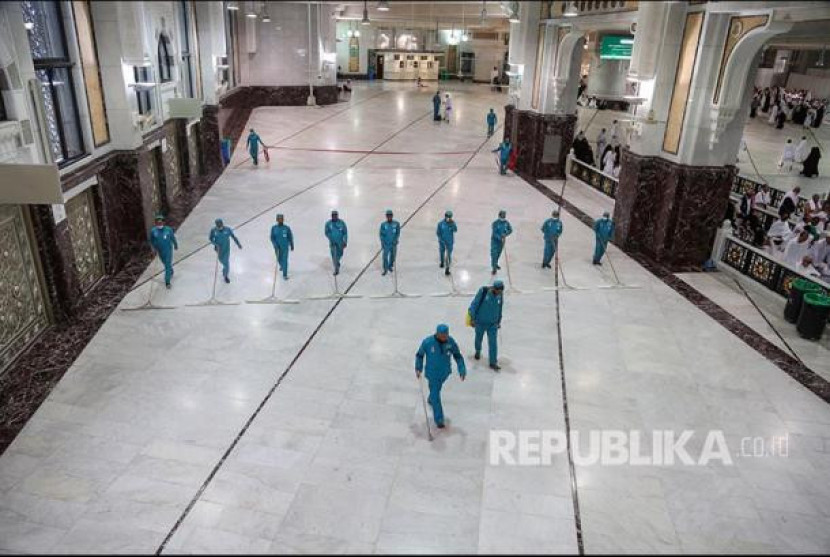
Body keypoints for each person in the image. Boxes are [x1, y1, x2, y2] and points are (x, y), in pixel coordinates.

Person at [415, 324, 467, 429]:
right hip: (432, 374)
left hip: (444, 373)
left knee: (436, 390)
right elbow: (420, 355)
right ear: (437, 334)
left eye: (446, 335)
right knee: (435, 392)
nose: (445, 337)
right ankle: (439, 419)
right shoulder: (428, 342)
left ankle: (431, 398)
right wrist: (418, 368)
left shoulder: (450, 342)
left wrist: (462, 369)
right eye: (442, 335)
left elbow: (457, 355)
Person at [469, 280, 505, 371]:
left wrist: (499, 320)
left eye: (501, 291)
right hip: (480, 322)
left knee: (493, 343)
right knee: (478, 339)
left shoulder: (500, 295)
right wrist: (472, 318)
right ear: (494, 288)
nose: (499, 293)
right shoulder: (483, 292)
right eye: (498, 291)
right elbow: (474, 304)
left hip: (492, 324)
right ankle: (478, 351)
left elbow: (500, 307)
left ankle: (493, 362)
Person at [149, 214, 178, 289]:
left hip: (168, 250)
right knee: (165, 264)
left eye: (161, 223)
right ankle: (171, 271)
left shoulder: (168, 230)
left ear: (163, 223)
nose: (160, 224)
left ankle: (167, 282)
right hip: (160, 251)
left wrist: (175, 245)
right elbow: (151, 240)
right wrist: (154, 248)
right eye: (158, 223)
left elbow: (173, 238)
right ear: (155, 223)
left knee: (167, 265)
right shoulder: (153, 231)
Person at [209, 218, 242, 283]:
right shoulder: (213, 230)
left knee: (226, 264)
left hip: (226, 249)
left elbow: (233, 237)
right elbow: (210, 239)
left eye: (220, 226)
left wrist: (238, 244)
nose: (219, 227)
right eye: (218, 226)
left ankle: (225, 275)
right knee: (222, 261)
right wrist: (215, 244)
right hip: (219, 250)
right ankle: (224, 269)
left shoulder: (227, 229)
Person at [270, 213, 294, 280]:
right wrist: (275, 244)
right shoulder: (274, 228)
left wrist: (292, 245)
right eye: (279, 219)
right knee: (279, 259)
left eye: (281, 219)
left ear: (283, 220)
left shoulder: (286, 228)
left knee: (285, 260)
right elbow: (272, 238)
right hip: (277, 248)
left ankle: (285, 274)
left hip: (285, 247)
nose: (280, 220)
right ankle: (282, 266)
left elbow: (290, 237)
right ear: (277, 220)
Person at [325, 210, 348, 275]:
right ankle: (336, 269)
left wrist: (345, 241)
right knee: (334, 256)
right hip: (333, 244)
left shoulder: (342, 223)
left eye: (335, 215)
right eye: (333, 216)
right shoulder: (328, 224)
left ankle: (337, 262)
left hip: (340, 243)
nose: (334, 217)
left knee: (340, 254)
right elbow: (326, 232)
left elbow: (345, 232)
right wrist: (331, 238)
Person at [490, 210, 513, 275]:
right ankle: (494, 268)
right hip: (495, 242)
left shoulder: (506, 223)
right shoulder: (495, 223)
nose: (503, 218)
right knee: (494, 254)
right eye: (502, 216)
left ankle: (495, 263)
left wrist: (506, 234)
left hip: (502, 242)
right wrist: (500, 238)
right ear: (499, 216)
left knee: (498, 254)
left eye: (504, 217)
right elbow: (494, 233)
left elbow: (510, 230)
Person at [379, 209, 400, 276]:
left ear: (392, 216)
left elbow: (398, 233)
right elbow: (381, 234)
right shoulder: (383, 224)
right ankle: (385, 268)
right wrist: (382, 242)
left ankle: (390, 266)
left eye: (390, 216)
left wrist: (396, 239)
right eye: (388, 216)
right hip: (386, 244)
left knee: (393, 256)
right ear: (386, 216)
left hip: (393, 244)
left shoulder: (396, 224)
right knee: (385, 257)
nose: (389, 217)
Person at [436, 210, 457, 275]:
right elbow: (438, 233)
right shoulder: (440, 224)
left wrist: (452, 225)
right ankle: (442, 262)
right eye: (448, 217)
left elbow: (455, 230)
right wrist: (441, 240)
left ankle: (447, 268)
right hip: (442, 242)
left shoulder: (452, 223)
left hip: (449, 242)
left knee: (448, 255)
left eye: (450, 217)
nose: (449, 218)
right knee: (442, 252)